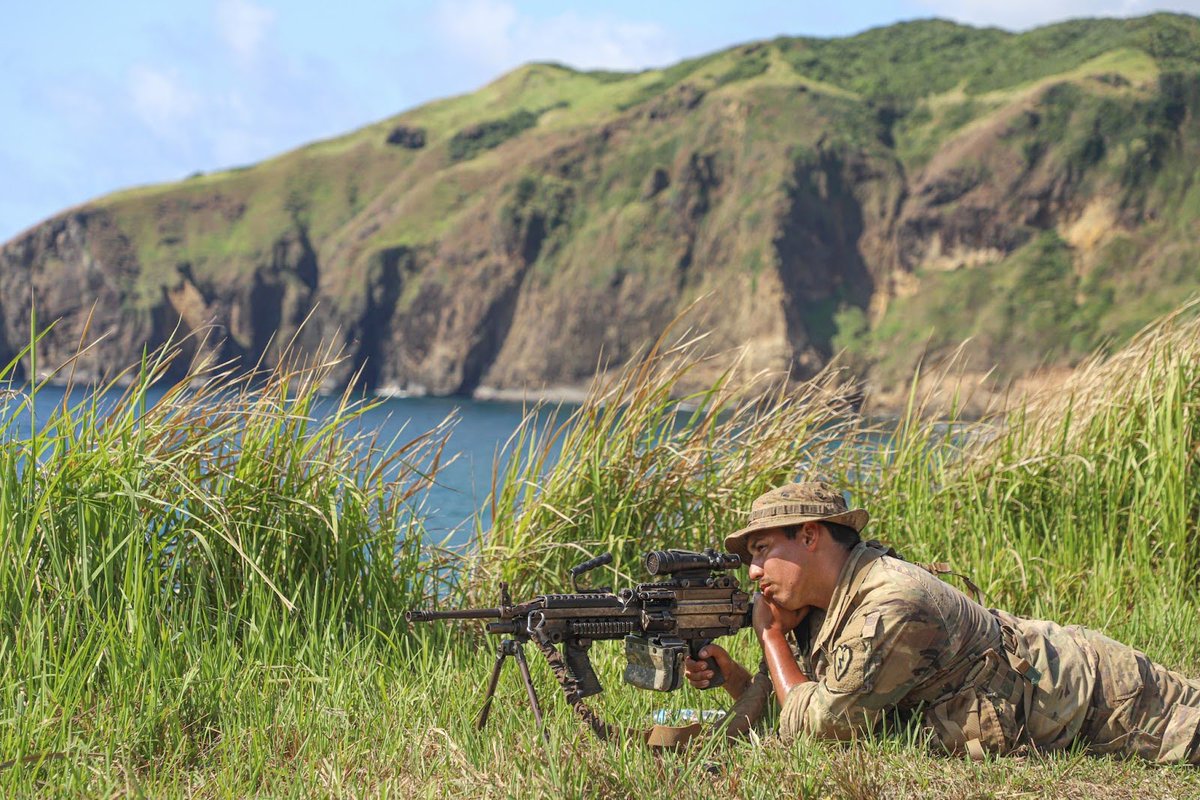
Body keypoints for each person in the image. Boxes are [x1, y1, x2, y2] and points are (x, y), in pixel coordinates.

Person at [684, 481, 1200, 763]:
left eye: (762, 549)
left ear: (812, 536)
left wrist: (771, 636)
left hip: (1101, 699)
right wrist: (733, 674)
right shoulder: (828, 603)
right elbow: (796, 701)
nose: (753, 570)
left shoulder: (889, 605)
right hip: (1058, 691)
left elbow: (820, 727)